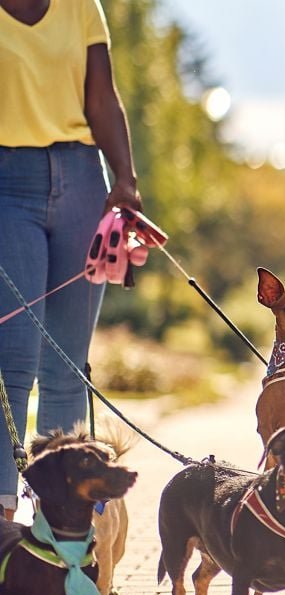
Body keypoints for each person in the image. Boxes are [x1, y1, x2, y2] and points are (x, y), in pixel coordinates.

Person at [0, 0, 142, 521]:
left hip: (82, 180)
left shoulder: (82, 5)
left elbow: (101, 98)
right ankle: (2, 520)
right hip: (6, 182)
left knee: (66, 365)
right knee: (11, 361)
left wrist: (125, 178)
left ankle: (64, 524)